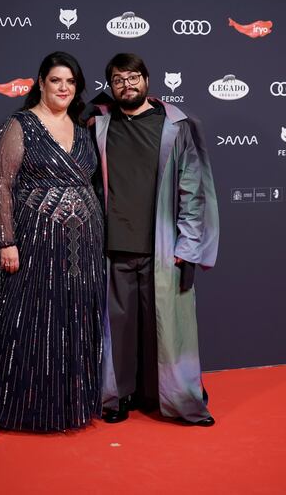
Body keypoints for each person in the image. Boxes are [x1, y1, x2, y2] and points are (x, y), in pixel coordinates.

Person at [0, 52, 105, 442]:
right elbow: (1, 184)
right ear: (40, 82)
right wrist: (6, 241)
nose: (64, 88)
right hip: (34, 241)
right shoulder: (21, 125)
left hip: (83, 242)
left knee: (75, 322)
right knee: (22, 322)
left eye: (70, 82)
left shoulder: (82, 128)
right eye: (56, 80)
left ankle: (69, 405)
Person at [90, 53, 219, 426]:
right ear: (110, 86)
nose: (126, 85)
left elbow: (193, 190)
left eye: (133, 77)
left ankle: (180, 400)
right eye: (117, 79)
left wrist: (189, 246)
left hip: (164, 249)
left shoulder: (176, 126)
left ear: (147, 79)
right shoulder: (98, 123)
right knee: (117, 332)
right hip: (113, 248)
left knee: (172, 330)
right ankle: (114, 399)